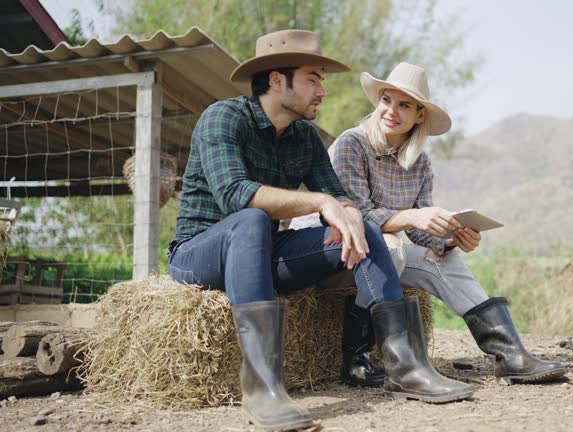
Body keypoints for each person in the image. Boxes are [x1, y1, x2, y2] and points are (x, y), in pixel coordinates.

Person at [168, 33, 474, 431]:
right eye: (314, 79)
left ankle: (406, 367)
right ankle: (263, 389)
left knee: (362, 224)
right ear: (278, 80)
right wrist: (321, 205)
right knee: (251, 219)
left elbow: (339, 196)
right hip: (196, 256)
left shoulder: (305, 137)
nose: (323, 90)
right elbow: (235, 196)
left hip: (261, 256)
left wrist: (345, 216)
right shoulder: (223, 117)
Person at [329, 62, 566, 388]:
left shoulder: (420, 163)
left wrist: (452, 239)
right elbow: (355, 216)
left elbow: (419, 230)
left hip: (381, 255)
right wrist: (412, 217)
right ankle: (356, 362)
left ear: (419, 116)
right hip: (333, 248)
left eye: (404, 105)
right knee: (391, 248)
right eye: (387, 100)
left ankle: (510, 355)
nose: (391, 111)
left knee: (444, 259)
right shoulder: (350, 144)